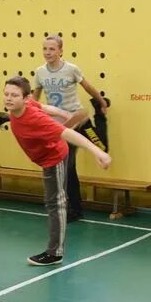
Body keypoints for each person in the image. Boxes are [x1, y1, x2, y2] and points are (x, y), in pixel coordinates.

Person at [4, 76, 111, 265]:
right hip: (44, 155)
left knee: (56, 203)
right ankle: (55, 250)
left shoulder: (34, 118)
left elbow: (68, 133)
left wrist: (97, 152)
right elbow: (46, 107)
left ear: (26, 98)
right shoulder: (22, 108)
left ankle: (55, 253)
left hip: (54, 157)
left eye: (14, 95)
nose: (9, 98)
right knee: (52, 201)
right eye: (6, 94)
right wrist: (65, 115)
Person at [33, 35, 109, 221]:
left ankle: (99, 117)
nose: (47, 52)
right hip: (62, 127)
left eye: (51, 49)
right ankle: (75, 208)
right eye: (45, 49)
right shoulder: (40, 72)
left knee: (101, 147)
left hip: (80, 120)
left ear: (60, 51)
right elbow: (34, 98)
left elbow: (88, 87)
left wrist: (101, 102)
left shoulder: (71, 69)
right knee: (68, 167)